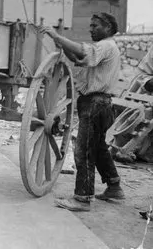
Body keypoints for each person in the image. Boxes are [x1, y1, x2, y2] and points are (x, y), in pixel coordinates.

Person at [39, 12, 124, 212]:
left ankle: (83, 199)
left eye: (95, 26)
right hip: (101, 104)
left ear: (108, 28)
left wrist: (56, 36)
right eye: (91, 25)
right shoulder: (106, 48)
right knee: (98, 147)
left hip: (95, 103)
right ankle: (114, 187)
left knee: (83, 150)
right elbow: (80, 58)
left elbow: (84, 51)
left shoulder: (106, 45)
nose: (91, 29)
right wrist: (63, 48)